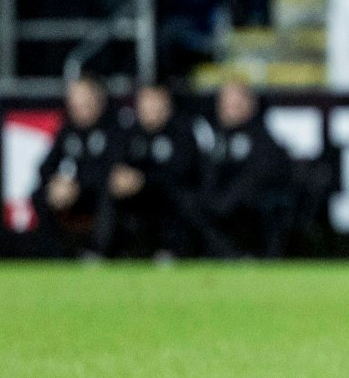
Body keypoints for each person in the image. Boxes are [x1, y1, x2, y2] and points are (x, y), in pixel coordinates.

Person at [99, 83, 205, 259]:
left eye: (157, 103)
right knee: (110, 191)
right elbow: (113, 163)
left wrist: (143, 180)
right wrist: (121, 178)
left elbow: (181, 171)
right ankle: (101, 251)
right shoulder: (129, 132)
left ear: (167, 105)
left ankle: (174, 250)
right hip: (136, 196)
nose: (152, 108)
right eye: (147, 103)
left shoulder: (181, 131)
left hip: (168, 195)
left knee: (181, 199)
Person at [196, 81, 293, 258]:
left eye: (237, 104)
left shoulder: (261, 138)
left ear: (251, 106)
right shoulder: (213, 137)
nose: (230, 110)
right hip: (216, 205)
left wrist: (226, 200)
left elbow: (262, 174)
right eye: (226, 104)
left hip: (249, 206)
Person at [33, 76, 116, 257]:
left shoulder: (113, 128)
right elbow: (46, 167)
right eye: (75, 101)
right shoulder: (68, 130)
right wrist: (57, 183)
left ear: (98, 100)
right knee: (40, 194)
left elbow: (111, 170)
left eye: (85, 100)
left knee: (109, 193)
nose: (79, 106)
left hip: (97, 193)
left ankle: (98, 252)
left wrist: (77, 185)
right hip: (72, 193)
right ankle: (54, 255)